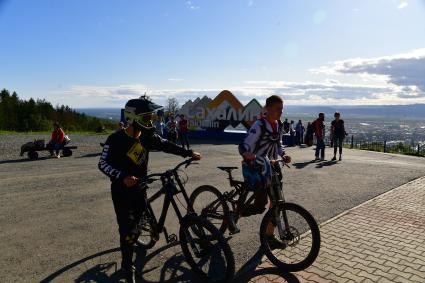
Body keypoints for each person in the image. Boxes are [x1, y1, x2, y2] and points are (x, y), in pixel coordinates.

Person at [98, 98, 201, 283]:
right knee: (128, 232)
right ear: (133, 118)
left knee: (136, 230)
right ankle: (126, 265)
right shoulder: (116, 139)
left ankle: (140, 232)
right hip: (122, 192)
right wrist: (123, 177)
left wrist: (188, 153)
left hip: (140, 189)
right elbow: (103, 163)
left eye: (151, 118)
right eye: (146, 118)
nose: (151, 122)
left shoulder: (147, 137)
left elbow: (166, 145)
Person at [236, 95, 292, 242]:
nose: (280, 112)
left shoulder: (279, 124)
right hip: (258, 168)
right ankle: (235, 214)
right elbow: (245, 144)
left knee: (277, 203)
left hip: (274, 168)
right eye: (277, 109)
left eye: (282, 109)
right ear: (267, 109)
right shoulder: (259, 125)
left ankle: (269, 235)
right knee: (260, 206)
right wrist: (246, 153)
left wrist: (284, 154)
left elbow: (278, 144)